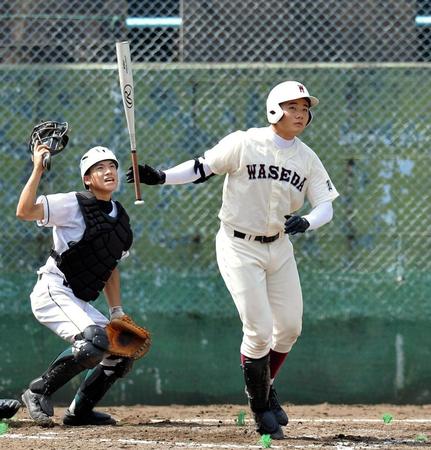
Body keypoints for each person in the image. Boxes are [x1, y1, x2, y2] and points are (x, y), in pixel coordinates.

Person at [126, 81, 339, 439]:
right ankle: (260, 406)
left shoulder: (307, 157)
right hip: (238, 245)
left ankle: (264, 386)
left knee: (288, 327)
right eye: (293, 107)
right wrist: (161, 177)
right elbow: (201, 168)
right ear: (274, 109)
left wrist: (307, 221)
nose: (301, 114)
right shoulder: (243, 142)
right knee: (257, 330)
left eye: (304, 108)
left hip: (279, 246)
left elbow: (326, 206)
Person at [16, 143, 134, 426]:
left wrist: (116, 311)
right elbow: (24, 210)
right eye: (99, 168)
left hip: (77, 299)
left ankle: (79, 410)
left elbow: (110, 265)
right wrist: (36, 169)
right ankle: (38, 391)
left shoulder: (121, 218)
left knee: (122, 350)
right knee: (93, 343)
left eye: (112, 166)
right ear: (87, 179)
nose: (108, 171)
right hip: (53, 289)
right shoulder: (73, 203)